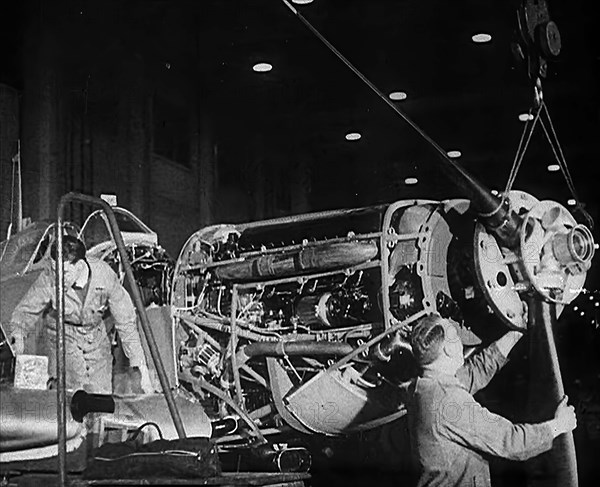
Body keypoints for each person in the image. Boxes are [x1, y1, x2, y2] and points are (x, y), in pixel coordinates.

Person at [406, 313, 577, 487]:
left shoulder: (423, 387)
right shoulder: (449, 402)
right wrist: (559, 425)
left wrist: (517, 330)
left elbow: (475, 371)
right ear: (449, 349)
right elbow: (511, 442)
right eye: (456, 335)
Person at [7, 235, 153, 394]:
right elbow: (27, 309)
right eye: (56, 270)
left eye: (65, 272)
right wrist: (18, 336)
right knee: (76, 390)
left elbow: (126, 323)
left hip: (96, 337)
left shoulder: (105, 275)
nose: (59, 278)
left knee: (101, 395)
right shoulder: (50, 278)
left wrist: (140, 367)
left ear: (80, 265)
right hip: (63, 334)